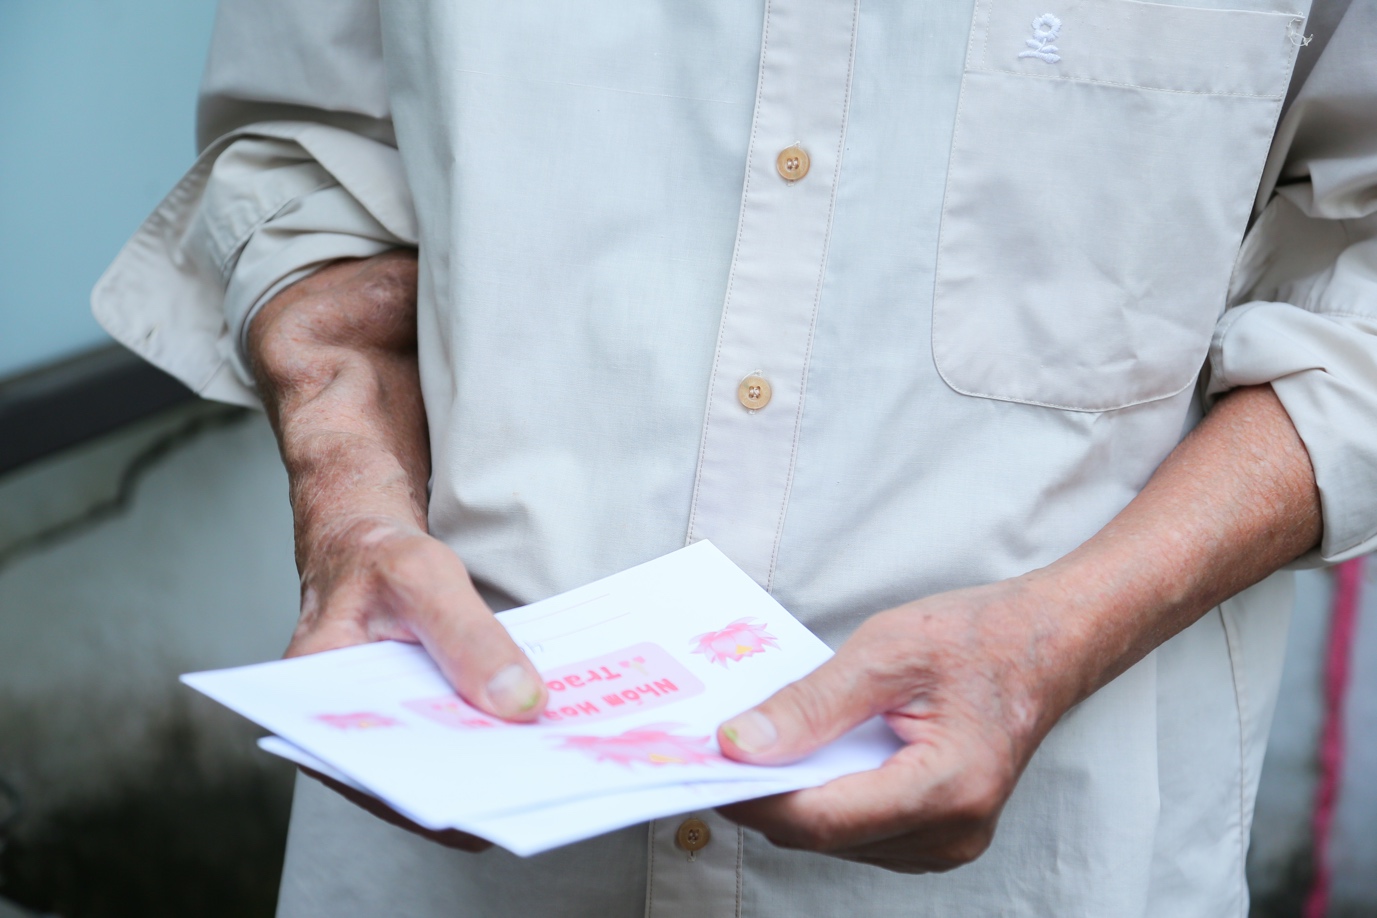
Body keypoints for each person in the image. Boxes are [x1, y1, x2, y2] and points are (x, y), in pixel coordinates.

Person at [93, 0, 1377, 914]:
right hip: (455, 861)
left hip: (1038, 864)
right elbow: (312, 168)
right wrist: (352, 508)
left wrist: (1064, 630)